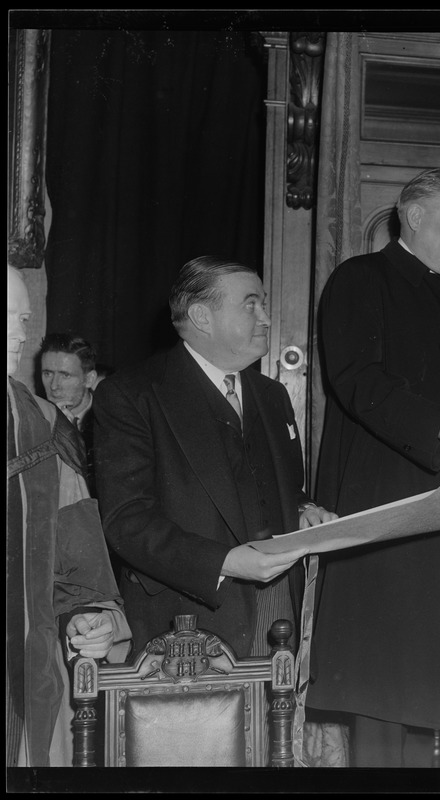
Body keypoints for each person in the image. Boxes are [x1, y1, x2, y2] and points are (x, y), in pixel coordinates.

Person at [307, 168, 440, 767]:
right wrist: (438, 427)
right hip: (392, 524)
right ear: (413, 217)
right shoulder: (360, 279)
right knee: (386, 710)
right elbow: (356, 379)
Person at [93, 256, 331, 658]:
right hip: (188, 619)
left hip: (281, 613)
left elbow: (286, 489)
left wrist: (304, 510)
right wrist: (224, 562)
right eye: (251, 304)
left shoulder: (273, 396)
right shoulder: (132, 395)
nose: (267, 318)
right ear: (202, 316)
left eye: (264, 304)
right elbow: (126, 521)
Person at [7, 265, 131, 767]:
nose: (19, 334)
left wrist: (94, 618)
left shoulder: (44, 428)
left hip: (23, 678)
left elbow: (78, 575)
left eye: (22, 318)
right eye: (7, 317)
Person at [38, 332, 99, 493]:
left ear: (89, 379)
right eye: (48, 373)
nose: (54, 386)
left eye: (65, 375)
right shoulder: (34, 416)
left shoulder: (110, 419)